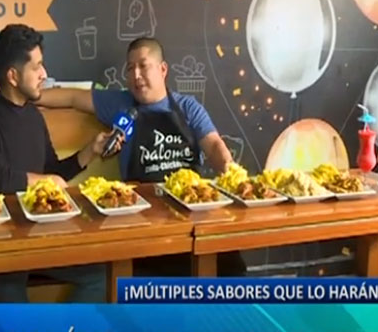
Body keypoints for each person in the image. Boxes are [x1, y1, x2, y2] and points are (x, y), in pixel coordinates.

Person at [37, 37, 245, 276]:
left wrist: (228, 168)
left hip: (191, 209)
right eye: (130, 68)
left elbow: (214, 145)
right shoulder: (120, 103)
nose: (136, 75)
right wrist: (27, 94)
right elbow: (73, 97)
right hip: (140, 216)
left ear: (163, 70)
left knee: (231, 265)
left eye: (143, 66)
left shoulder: (188, 107)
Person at [0, 24, 121, 302]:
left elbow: (53, 171)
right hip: (3, 242)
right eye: (36, 66)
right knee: (15, 304)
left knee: (99, 277)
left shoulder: (34, 116)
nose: (44, 74)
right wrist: (47, 180)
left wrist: (91, 150)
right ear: (13, 76)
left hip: (43, 234)